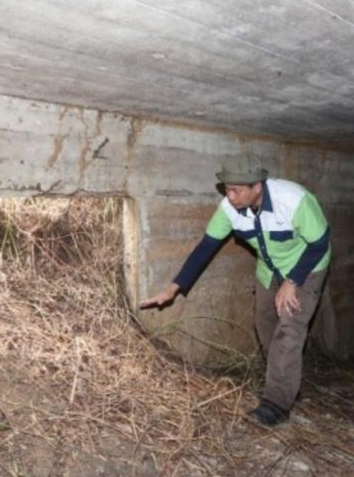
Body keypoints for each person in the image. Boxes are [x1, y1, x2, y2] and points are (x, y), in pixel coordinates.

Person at [140, 153, 330, 426]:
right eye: (227, 189)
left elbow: (319, 244)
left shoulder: (295, 200)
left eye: (236, 190)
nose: (230, 196)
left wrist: (292, 281)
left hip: (307, 268)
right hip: (269, 270)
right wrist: (173, 288)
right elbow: (205, 247)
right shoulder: (229, 208)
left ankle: (276, 403)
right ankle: (286, 383)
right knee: (265, 326)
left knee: (288, 331)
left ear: (257, 186)